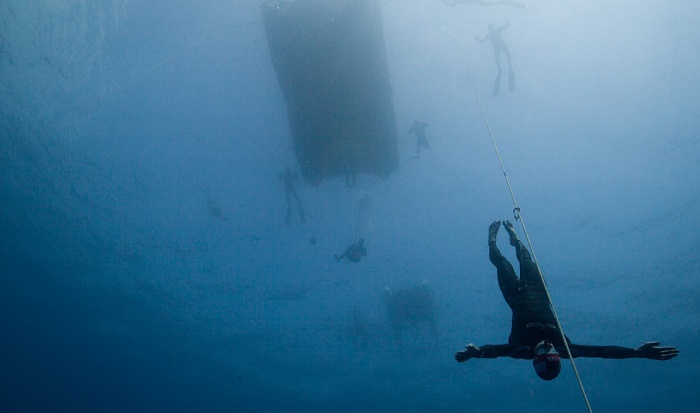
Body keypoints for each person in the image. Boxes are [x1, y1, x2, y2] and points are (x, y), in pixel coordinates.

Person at [454, 221, 679, 381]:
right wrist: (636, 352)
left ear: (535, 358)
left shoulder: (521, 349)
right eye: (553, 353)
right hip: (538, 291)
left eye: (544, 353)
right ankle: (515, 237)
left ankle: (492, 238)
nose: (549, 347)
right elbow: (601, 351)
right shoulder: (564, 348)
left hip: (514, 294)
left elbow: (497, 350)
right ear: (557, 356)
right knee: (526, 258)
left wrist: (479, 352)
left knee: (501, 263)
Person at [475, 22, 515, 96]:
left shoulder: (494, 32)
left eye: (491, 27)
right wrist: (477, 39)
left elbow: (505, 26)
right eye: (491, 28)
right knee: (500, 56)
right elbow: (481, 41)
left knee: (506, 53)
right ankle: (502, 68)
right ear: (490, 29)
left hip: (500, 46)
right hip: (498, 47)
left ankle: (507, 65)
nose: (492, 29)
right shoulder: (492, 33)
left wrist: (507, 24)